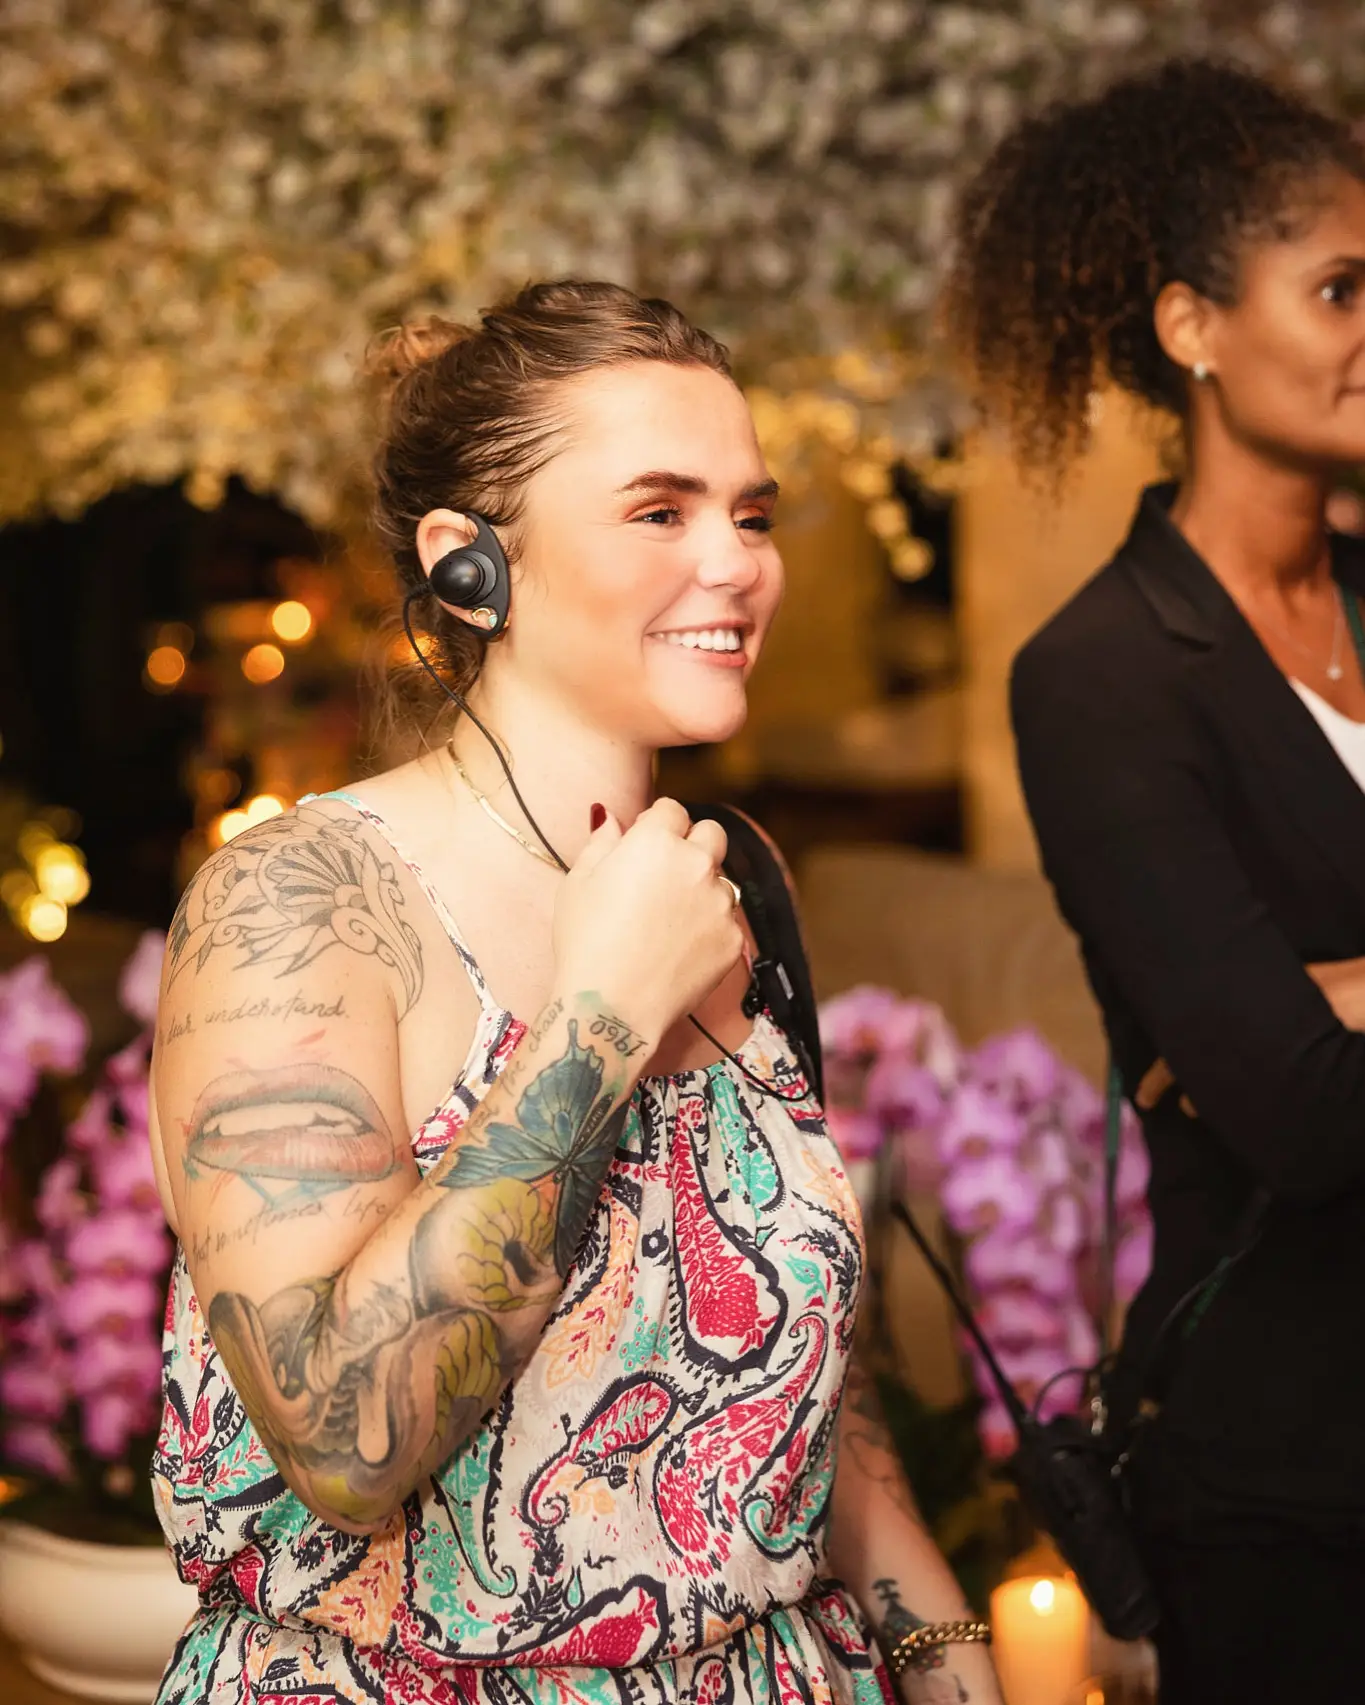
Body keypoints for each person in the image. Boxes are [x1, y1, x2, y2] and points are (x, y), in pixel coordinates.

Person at [146, 280, 1002, 1705]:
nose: (737, 565)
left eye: (752, 514)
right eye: (660, 511)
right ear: (471, 566)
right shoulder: (299, 904)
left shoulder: (736, 878)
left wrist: (938, 1642)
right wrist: (601, 1018)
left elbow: (794, 1353)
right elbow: (344, 1442)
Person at [944, 56, 1365, 1705]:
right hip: (1301, 1488)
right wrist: (1290, 1033)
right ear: (1193, 326)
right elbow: (1307, 1117)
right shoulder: (1104, 676)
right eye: (1340, 289)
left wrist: (1328, 993)